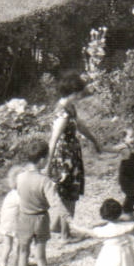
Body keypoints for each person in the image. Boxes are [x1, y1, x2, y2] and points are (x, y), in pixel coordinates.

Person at [12, 139, 74, 266]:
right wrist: (67, 217)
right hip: (41, 219)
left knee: (23, 255)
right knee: (41, 258)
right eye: (46, 158)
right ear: (41, 160)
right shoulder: (45, 181)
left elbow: (18, 192)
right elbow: (55, 203)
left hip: (24, 217)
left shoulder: (20, 177)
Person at [46, 71, 103, 239]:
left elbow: (80, 126)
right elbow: (54, 139)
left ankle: (59, 227)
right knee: (68, 195)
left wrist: (95, 141)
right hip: (64, 158)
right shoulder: (62, 112)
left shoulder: (69, 108)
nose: (80, 95)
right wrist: (48, 165)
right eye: (78, 92)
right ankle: (65, 234)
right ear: (72, 92)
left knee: (69, 194)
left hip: (71, 155)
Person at [0, 159, 34, 266]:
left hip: (6, 223)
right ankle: (20, 263)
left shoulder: (11, 194)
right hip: (15, 223)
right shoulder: (20, 195)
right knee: (21, 241)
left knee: (7, 245)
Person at [115, 127, 134, 214]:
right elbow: (113, 149)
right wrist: (100, 147)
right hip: (125, 176)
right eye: (131, 137)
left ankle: (128, 208)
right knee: (131, 193)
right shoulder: (124, 147)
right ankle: (126, 209)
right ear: (124, 139)